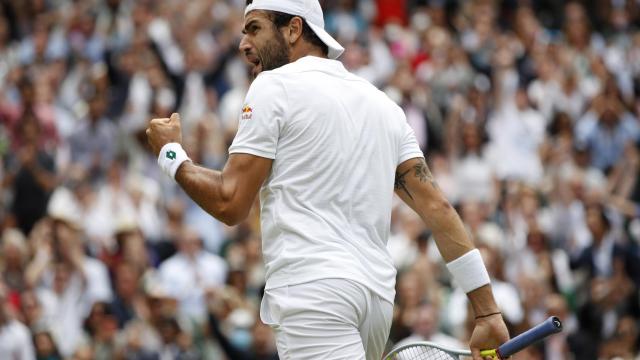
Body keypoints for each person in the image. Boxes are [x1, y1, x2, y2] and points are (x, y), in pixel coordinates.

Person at [146, 0, 509, 359]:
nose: (243, 44)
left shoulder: (273, 86)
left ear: (293, 29)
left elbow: (230, 201)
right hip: (376, 304)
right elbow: (437, 206)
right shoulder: (384, 106)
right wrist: (487, 310)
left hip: (314, 294)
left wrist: (172, 155)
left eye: (254, 28)